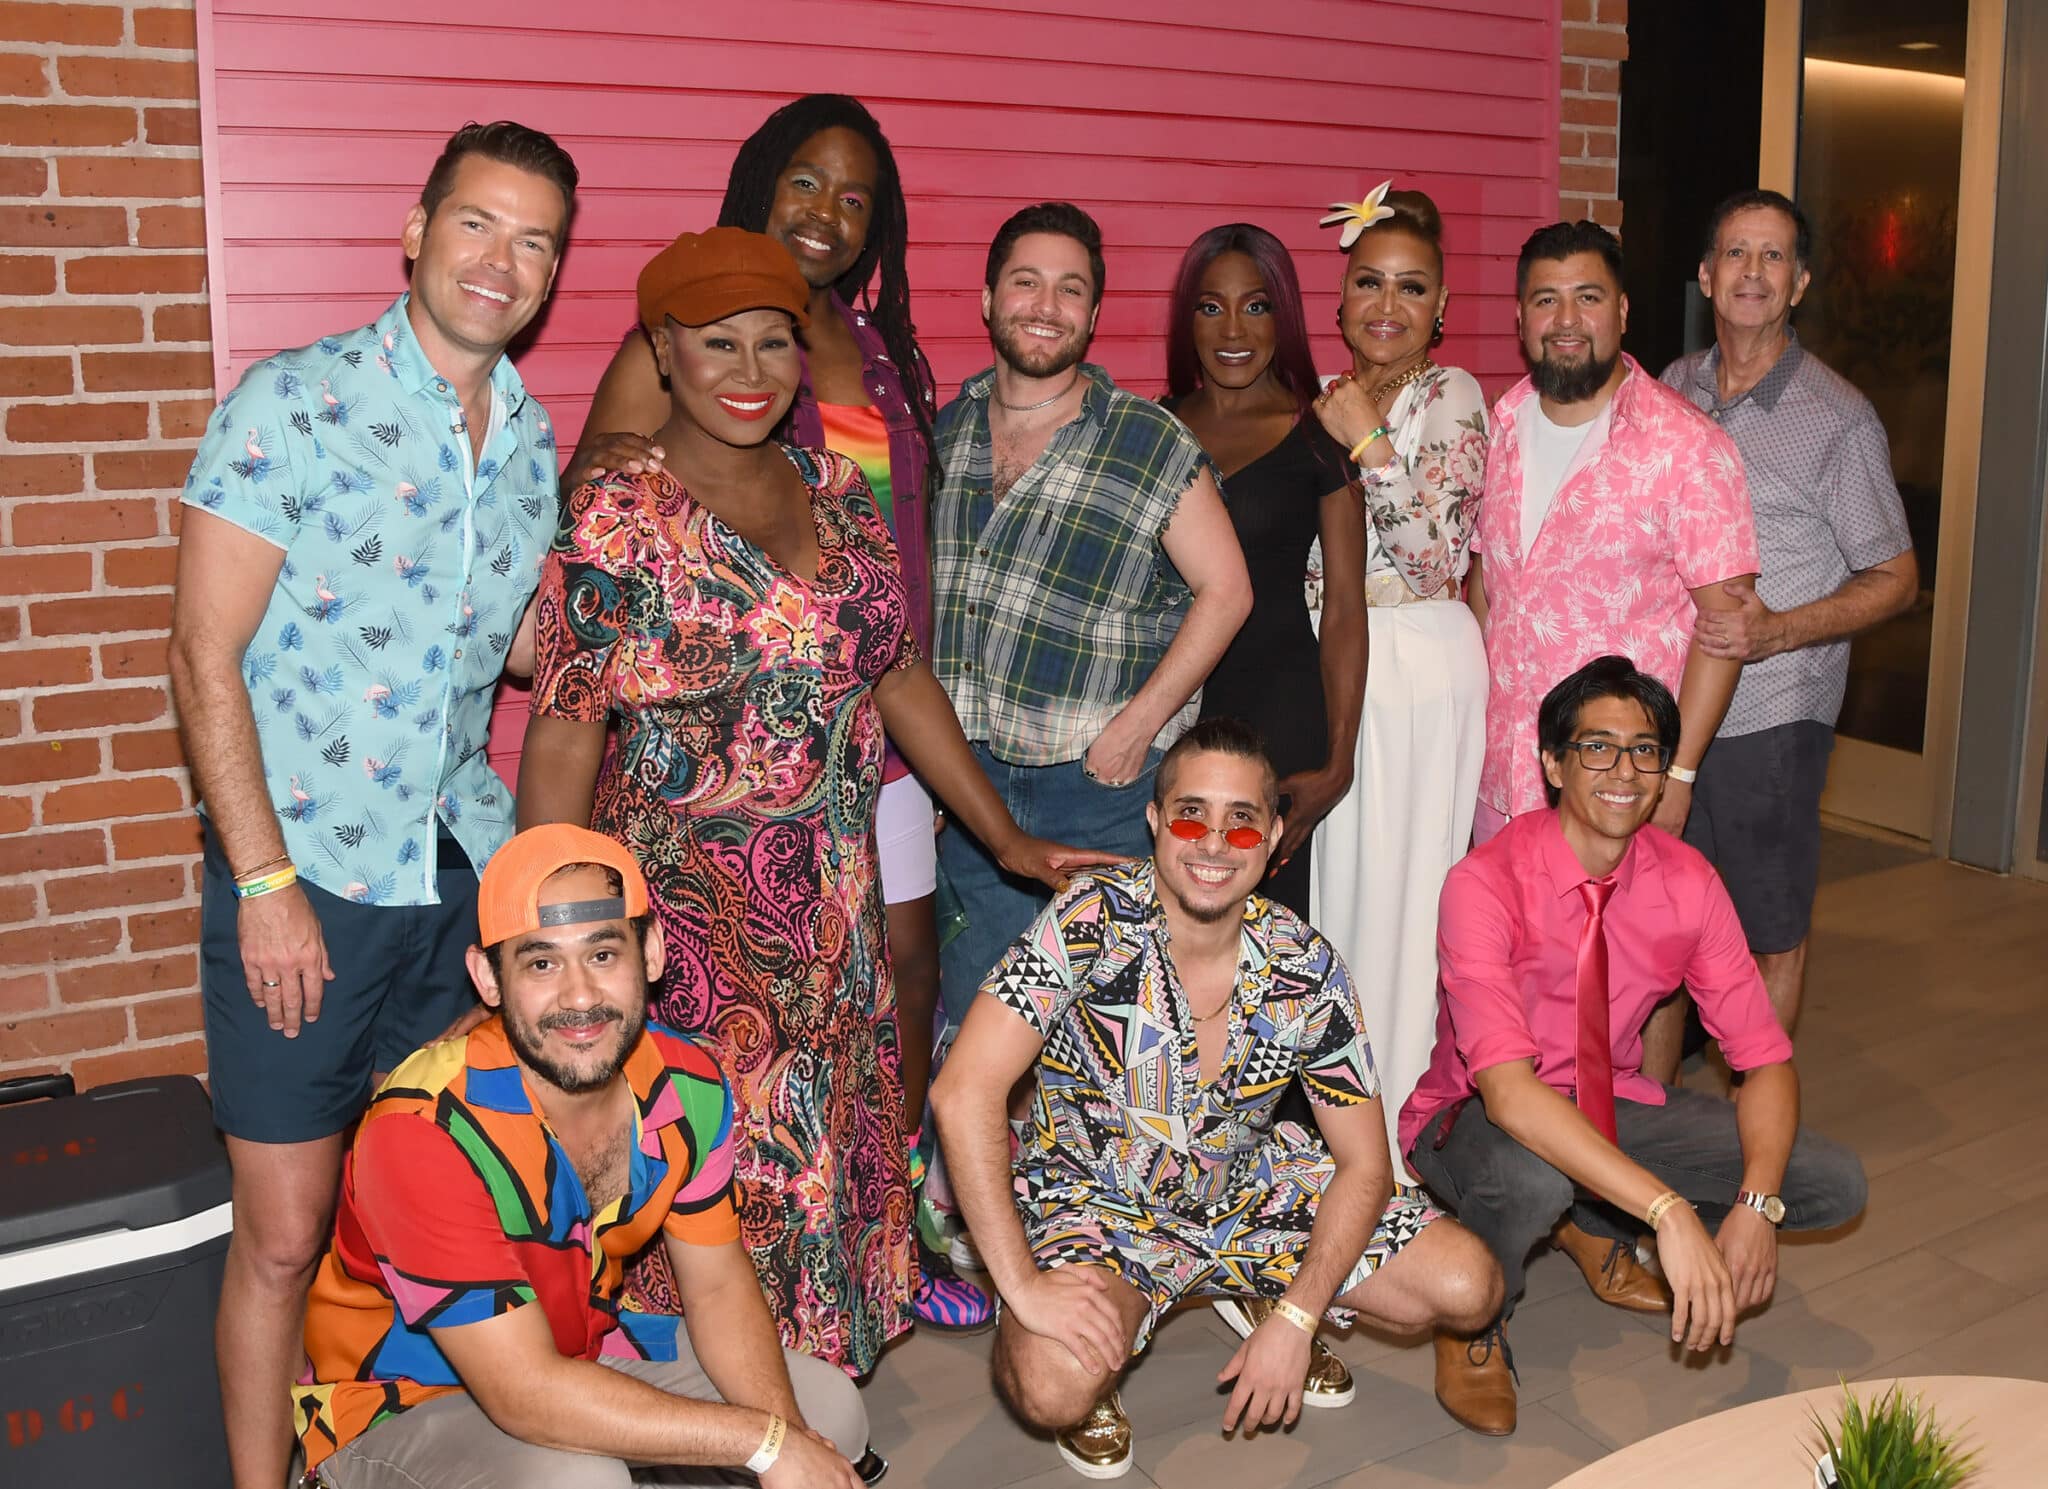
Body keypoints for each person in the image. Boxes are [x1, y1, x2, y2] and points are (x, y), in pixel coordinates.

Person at [517, 227, 1111, 1378]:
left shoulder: (834, 491)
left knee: (819, 1168)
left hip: (833, 934)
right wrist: (558, 934)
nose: (748, 371)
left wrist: (1006, 837)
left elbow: (897, 676)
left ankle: (811, 1408)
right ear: (662, 353)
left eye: (773, 343)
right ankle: (714, 1415)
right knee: (706, 1181)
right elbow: (563, 725)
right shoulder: (616, 515)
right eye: (718, 344)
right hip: (685, 943)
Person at [166, 120, 577, 1489]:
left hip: (456, 872)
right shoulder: (291, 400)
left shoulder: (530, 439)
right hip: (307, 877)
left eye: (535, 241)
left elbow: (506, 642)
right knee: (283, 1231)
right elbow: (202, 652)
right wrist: (266, 883)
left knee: (427, 1207)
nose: (500, 261)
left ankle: (389, 1453)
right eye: (477, 223)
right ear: (416, 230)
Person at [552, 95, 985, 1328]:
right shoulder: (683, 335)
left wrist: (993, 820)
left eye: (856, 199)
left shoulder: (865, 361)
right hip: (709, 798)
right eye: (806, 183)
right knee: (710, 1085)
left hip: (859, 729)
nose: (828, 215)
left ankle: (858, 1271)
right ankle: (715, 1362)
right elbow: (601, 610)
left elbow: (889, 554)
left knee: (890, 988)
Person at [933, 718, 1503, 1478]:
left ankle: (1271, 1294)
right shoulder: (1091, 921)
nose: (1211, 843)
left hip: (1247, 1191)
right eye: (1191, 814)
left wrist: (1302, 1316)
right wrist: (1024, 1287)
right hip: (1101, 1201)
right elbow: (963, 1089)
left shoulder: (1305, 963)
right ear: (1156, 822)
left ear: (1272, 840)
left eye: (1241, 824)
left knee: (1471, 1285)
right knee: (1049, 1384)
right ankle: (1106, 1331)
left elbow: (1365, 1165)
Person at [295, 823, 869, 1488]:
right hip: (396, 1403)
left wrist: (788, 1439)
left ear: (650, 952)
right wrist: (764, 1443)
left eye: (602, 954)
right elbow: (523, 1391)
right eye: (540, 962)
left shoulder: (689, 1084)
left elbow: (715, 1285)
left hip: (576, 1351)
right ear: (488, 976)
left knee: (832, 1413)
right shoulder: (422, 1128)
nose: (578, 997)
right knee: (577, 1482)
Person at [1401, 657, 1868, 1434]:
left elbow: (1765, 1060)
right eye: (1597, 747)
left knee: (1829, 1181)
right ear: (1552, 762)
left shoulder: (1687, 881)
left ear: (1663, 772)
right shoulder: (1484, 882)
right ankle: (1473, 1319)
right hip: (1474, 1114)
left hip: (1605, 1099)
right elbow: (1512, 1094)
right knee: (1533, 1177)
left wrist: (1755, 1203)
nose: (1624, 770)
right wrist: (1668, 1210)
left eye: (1645, 750)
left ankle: (1594, 1223)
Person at [930, 201, 1253, 1033]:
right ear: (987, 298)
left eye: (1070, 289)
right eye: (1026, 282)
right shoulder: (945, 432)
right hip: (975, 798)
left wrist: (1136, 726)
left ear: (1095, 315)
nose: (1046, 305)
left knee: (1111, 1032)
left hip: (1099, 788)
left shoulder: (1149, 440)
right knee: (977, 1032)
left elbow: (1228, 590)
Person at [1468, 218, 1761, 1084]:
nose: (1567, 318)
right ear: (1520, 317)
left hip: (1614, 779)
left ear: (1623, 311)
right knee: (1514, 985)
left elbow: (1726, 627)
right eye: (1545, 299)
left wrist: (1677, 777)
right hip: (1507, 776)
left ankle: (1633, 1165)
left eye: (1588, 297)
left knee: (1628, 987)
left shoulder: (1687, 449)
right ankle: (1526, 1169)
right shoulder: (1502, 425)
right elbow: (1492, 587)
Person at [1660, 189, 1916, 1049]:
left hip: (1770, 715)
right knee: (1660, 921)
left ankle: (1753, 1138)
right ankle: (1652, 1114)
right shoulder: (1672, 388)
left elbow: (1896, 577)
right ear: (1706, 274)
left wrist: (1778, 631)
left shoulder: (1838, 419)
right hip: (1665, 707)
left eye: (1774, 258)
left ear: (1799, 284)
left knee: (1768, 927)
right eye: (1737, 253)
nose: (1753, 273)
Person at [1301, 186, 1490, 1162]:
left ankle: (1405, 1136)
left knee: (1405, 896)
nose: (1386, 304)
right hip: (1341, 668)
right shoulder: (1327, 395)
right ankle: (1336, 1125)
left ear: (1440, 306)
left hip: (1414, 664)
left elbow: (1428, 560)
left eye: (1409, 287)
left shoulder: (1446, 395)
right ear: (1337, 300)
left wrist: (1365, 444)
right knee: (1339, 892)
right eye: (1367, 282)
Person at [1160, 223, 1366, 921]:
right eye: (1211, 307)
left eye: (1256, 305)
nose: (1233, 329)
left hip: (1283, 715)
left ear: (1285, 315)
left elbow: (1343, 608)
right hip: (1169, 714)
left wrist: (1339, 762)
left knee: (1269, 931)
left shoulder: (1318, 434)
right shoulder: (1153, 428)